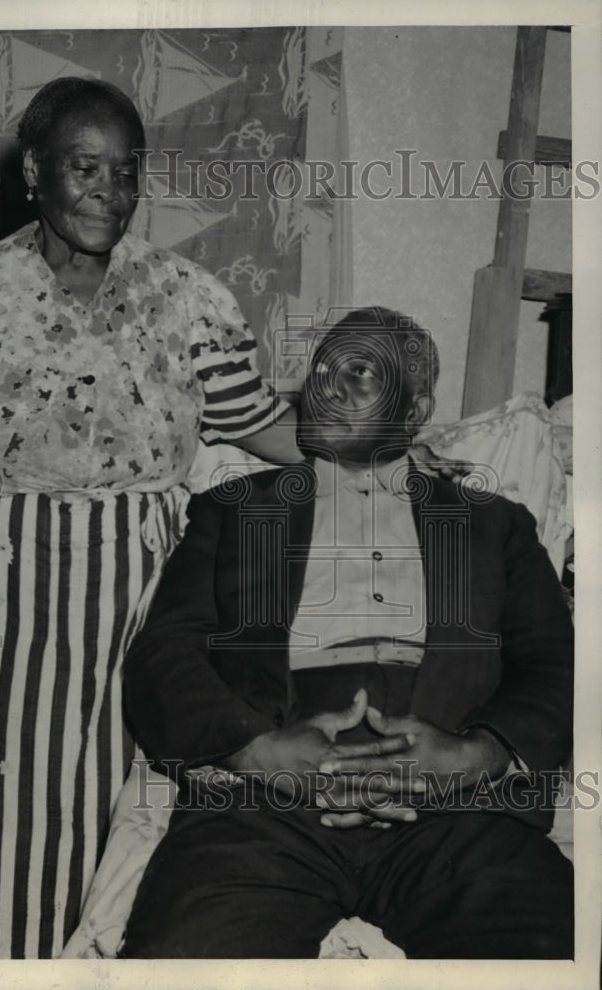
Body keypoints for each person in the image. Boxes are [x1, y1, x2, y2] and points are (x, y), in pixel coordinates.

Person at [0, 76, 305, 960]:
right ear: (35, 171)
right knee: (8, 831)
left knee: (126, 826)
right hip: (4, 611)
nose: (108, 193)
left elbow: (263, 423)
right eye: (85, 168)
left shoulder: (188, 296)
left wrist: (377, 438)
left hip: (145, 607)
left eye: (125, 172)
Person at [120, 307, 575, 959]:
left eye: (358, 371)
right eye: (322, 369)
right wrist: (256, 753)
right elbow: (164, 655)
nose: (327, 385)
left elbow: (553, 661)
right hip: (263, 807)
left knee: (543, 953)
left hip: (458, 810)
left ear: (415, 410)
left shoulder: (495, 523)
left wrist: (478, 755)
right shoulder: (233, 510)